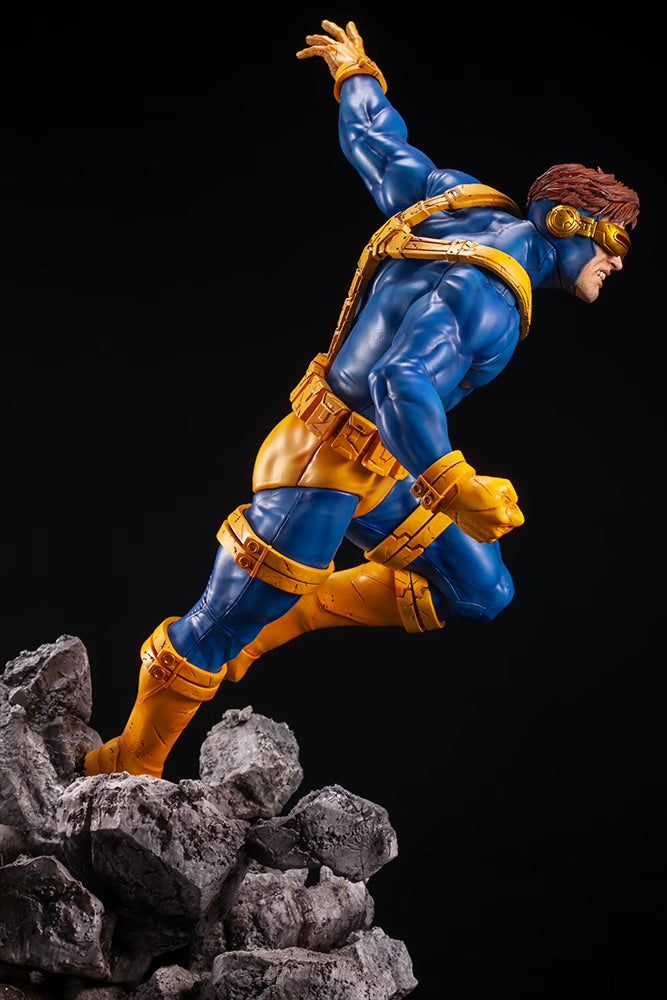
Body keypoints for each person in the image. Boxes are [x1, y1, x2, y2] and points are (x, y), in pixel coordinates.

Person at [85, 20, 639, 780]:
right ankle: (125, 764)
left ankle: (288, 616)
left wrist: (356, 76)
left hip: (381, 463)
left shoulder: (459, 201)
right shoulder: (489, 298)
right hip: (320, 465)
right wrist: (457, 485)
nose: (615, 261)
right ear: (566, 223)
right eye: (613, 241)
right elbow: (399, 381)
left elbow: (379, 147)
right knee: (214, 628)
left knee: (480, 588)